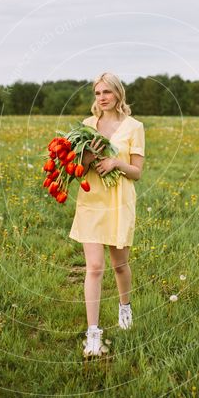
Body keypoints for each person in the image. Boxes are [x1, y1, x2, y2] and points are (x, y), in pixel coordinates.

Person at [69, 72, 145, 358]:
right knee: (95, 267)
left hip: (119, 201)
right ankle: (93, 334)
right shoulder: (87, 126)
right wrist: (89, 156)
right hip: (91, 201)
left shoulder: (134, 127)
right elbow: (78, 168)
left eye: (107, 93)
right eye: (97, 93)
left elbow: (137, 172)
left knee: (120, 266)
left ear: (118, 94)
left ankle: (124, 307)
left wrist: (115, 162)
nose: (101, 98)